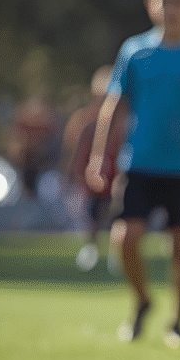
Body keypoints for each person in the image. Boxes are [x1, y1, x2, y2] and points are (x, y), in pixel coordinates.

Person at [87, 0, 180, 346]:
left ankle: (177, 322)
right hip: (139, 163)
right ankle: (142, 300)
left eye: (179, 2)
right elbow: (114, 107)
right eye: (165, 1)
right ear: (151, 5)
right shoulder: (134, 51)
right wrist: (99, 156)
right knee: (125, 238)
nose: (171, 9)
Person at [62, 65, 120, 271]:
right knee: (94, 214)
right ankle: (91, 248)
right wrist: (74, 175)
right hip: (93, 181)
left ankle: (117, 254)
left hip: (117, 179)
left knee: (117, 215)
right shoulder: (86, 123)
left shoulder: (125, 123)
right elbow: (76, 154)